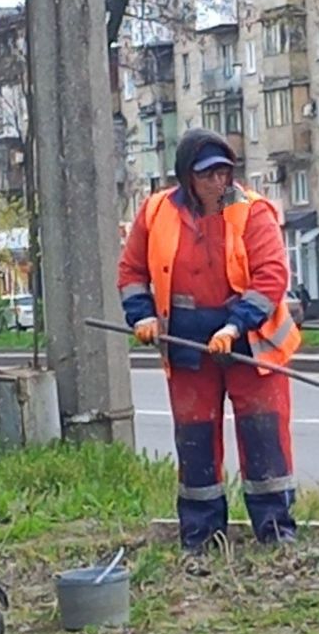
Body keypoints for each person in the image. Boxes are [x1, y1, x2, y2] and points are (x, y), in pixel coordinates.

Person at [117, 128, 300, 570]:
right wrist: (140, 316)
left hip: (251, 349)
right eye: (207, 175)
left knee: (263, 439)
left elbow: (271, 277)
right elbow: (132, 270)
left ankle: (275, 531)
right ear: (186, 177)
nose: (218, 183)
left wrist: (235, 327)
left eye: (223, 172)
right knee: (195, 441)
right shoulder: (156, 211)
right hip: (186, 348)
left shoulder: (252, 212)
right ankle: (200, 534)